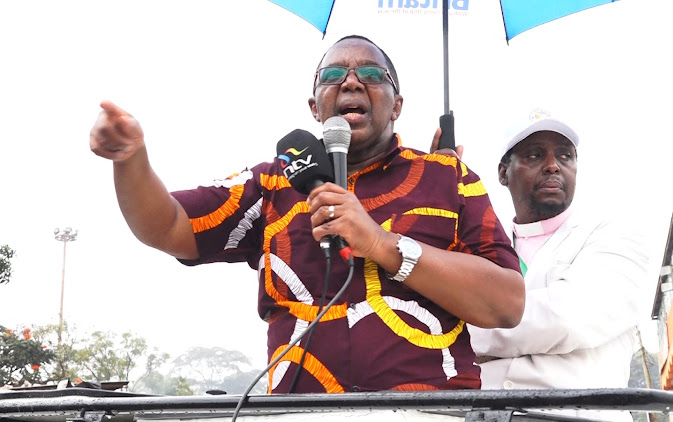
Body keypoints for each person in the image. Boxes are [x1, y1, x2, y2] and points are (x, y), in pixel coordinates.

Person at [89, 35, 525, 394]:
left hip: (433, 412)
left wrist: (380, 243)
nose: (351, 83)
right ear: (315, 107)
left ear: (396, 105)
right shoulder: (272, 184)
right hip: (296, 411)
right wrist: (130, 161)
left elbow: (507, 303)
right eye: (333, 76)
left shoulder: (448, 177)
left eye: (372, 75)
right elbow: (168, 226)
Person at [467, 107, 650, 421]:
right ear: (502, 172)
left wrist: (464, 330)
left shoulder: (614, 234)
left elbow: (566, 319)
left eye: (565, 156)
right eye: (535, 155)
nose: (552, 166)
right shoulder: (479, 248)